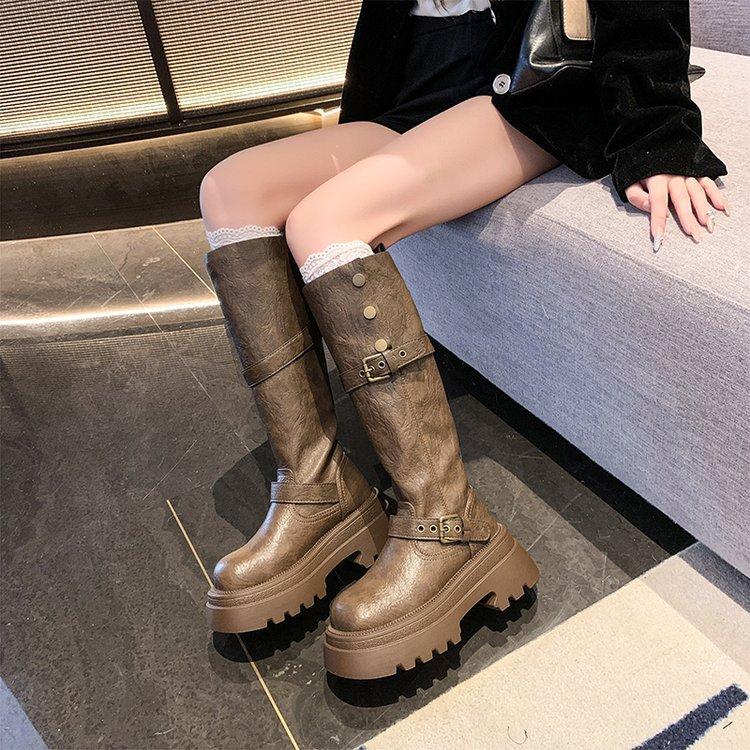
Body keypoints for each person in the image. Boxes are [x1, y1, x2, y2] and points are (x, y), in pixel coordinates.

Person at [199, 0, 727, 680]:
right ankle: (317, 484)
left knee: (325, 223)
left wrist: (659, 129)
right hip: (418, 79)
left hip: (527, 79)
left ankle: (449, 524)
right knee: (228, 191)